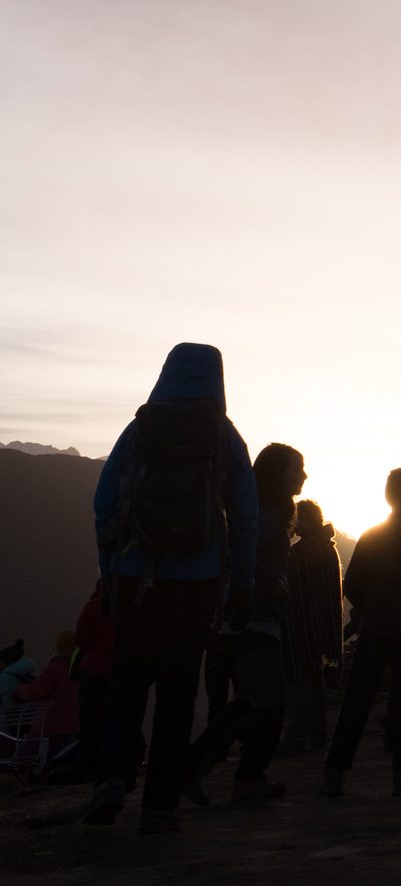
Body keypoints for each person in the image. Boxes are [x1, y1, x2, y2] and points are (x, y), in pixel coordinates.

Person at [84, 343, 257, 835]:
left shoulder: (140, 431)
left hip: (137, 577)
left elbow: (104, 503)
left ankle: (111, 780)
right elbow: (245, 514)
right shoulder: (223, 436)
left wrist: (111, 574)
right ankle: (159, 805)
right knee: (178, 690)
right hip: (196, 586)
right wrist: (240, 586)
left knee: (128, 683)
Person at [186, 442, 306, 805]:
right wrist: (273, 582)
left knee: (252, 700)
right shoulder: (268, 514)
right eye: (296, 468)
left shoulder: (263, 510)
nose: (303, 475)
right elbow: (239, 553)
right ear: (278, 473)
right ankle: (242, 776)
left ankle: (201, 766)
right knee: (271, 700)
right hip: (252, 619)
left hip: (245, 620)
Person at [319, 467, 401, 799]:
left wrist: (371, 607)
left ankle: (334, 773)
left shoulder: (371, 536)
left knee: (356, 700)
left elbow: (353, 584)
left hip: (375, 626)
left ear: (387, 496)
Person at [280, 499, 342, 756]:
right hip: (321, 625)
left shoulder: (301, 552)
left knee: (299, 681)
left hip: (301, 626)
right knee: (314, 679)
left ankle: (295, 738)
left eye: (298, 519)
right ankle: (318, 735)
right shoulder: (328, 548)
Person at [72, 586, 115, 783]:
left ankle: (89, 770)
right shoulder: (132, 604)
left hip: (94, 671)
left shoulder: (93, 607)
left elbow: (81, 640)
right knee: (119, 720)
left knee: (90, 723)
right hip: (121, 672)